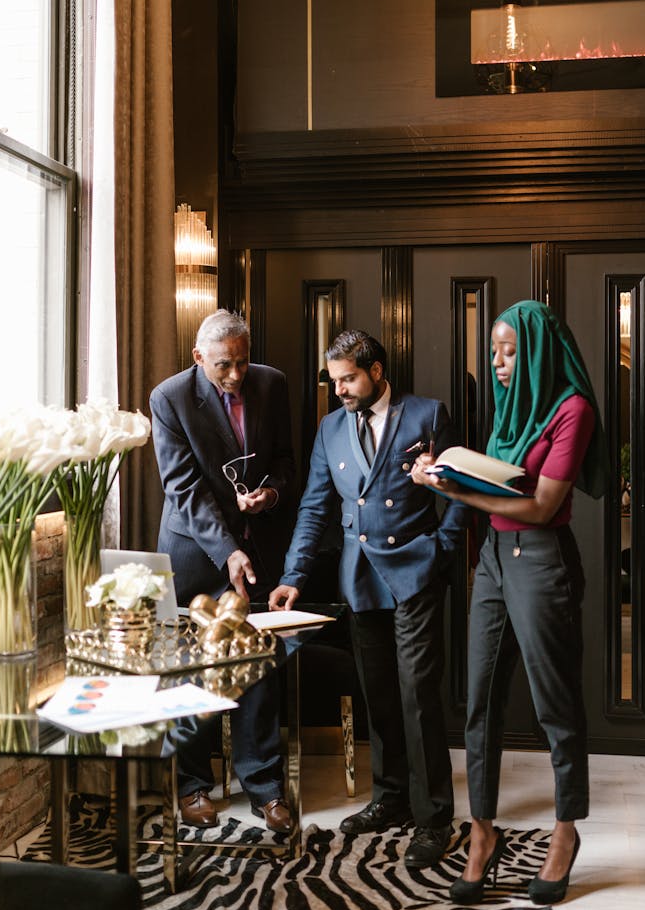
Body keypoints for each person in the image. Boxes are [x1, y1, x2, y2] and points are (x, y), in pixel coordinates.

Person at [412, 299, 609, 904]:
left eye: (509, 350)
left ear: (539, 352)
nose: (497, 362)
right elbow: (497, 479)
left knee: (555, 705)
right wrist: (444, 474)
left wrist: (456, 494)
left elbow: (543, 506)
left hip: (543, 559)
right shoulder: (511, 407)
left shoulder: (572, 411)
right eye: (493, 351)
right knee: (480, 704)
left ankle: (566, 831)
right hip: (494, 561)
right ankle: (481, 831)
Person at [269, 329, 467, 869]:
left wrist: (443, 549)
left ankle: (433, 819)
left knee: (417, 693)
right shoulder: (330, 430)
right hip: (359, 579)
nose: (340, 390)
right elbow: (314, 507)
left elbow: (458, 494)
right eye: (334, 381)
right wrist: (294, 575)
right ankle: (390, 797)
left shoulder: (427, 415)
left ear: (377, 371)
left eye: (349, 378)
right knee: (377, 692)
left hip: (416, 575)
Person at [149, 309, 296, 833]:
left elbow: (284, 459)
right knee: (191, 669)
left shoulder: (271, 384)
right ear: (198, 358)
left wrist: (271, 494)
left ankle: (265, 789)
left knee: (256, 668)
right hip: (195, 554)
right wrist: (228, 550)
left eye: (242, 361)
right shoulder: (168, 398)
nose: (235, 375)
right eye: (223, 365)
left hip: (258, 550)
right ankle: (191, 786)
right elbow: (183, 487)